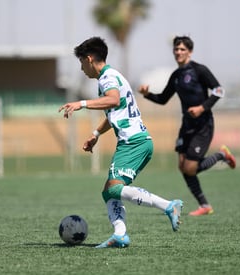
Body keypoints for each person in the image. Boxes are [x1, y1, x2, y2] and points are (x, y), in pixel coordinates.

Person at [58, 37, 183, 248]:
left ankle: (168, 206)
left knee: (114, 190)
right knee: (109, 191)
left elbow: (113, 100)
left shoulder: (107, 78)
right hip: (137, 141)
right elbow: (115, 110)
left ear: (89, 59)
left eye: (81, 63)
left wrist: (82, 103)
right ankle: (120, 234)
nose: (81, 68)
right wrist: (96, 134)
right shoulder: (114, 77)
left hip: (133, 142)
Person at [138, 36, 236, 216]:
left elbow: (219, 90)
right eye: (176, 49)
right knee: (182, 166)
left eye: (182, 49)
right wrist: (147, 94)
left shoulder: (200, 70)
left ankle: (222, 155)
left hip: (203, 124)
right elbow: (163, 99)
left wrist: (202, 108)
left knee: (190, 167)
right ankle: (204, 205)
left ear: (190, 51)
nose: (178, 52)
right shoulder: (176, 75)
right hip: (187, 125)